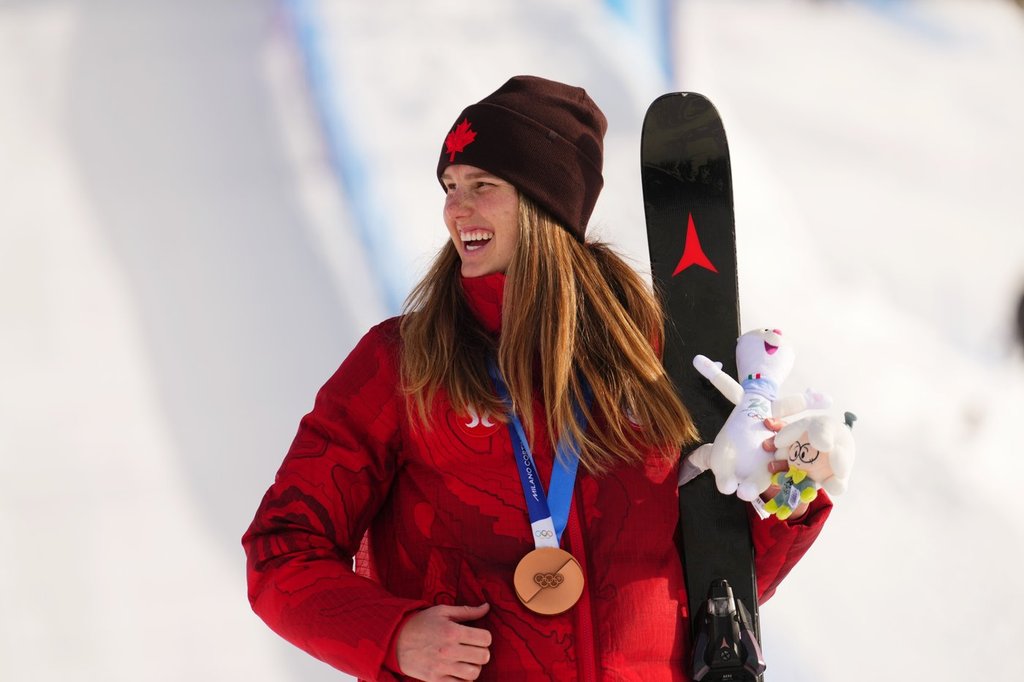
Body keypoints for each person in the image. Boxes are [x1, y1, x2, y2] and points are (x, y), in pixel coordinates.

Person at [242, 75, 831, 682]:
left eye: (481, 185)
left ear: (544, 201)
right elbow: (282, 549)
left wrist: (790, 492)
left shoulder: (653, 356)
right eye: (449, 187)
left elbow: (715, 570)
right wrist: (393, 636)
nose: (455, 208)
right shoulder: (403, 363)